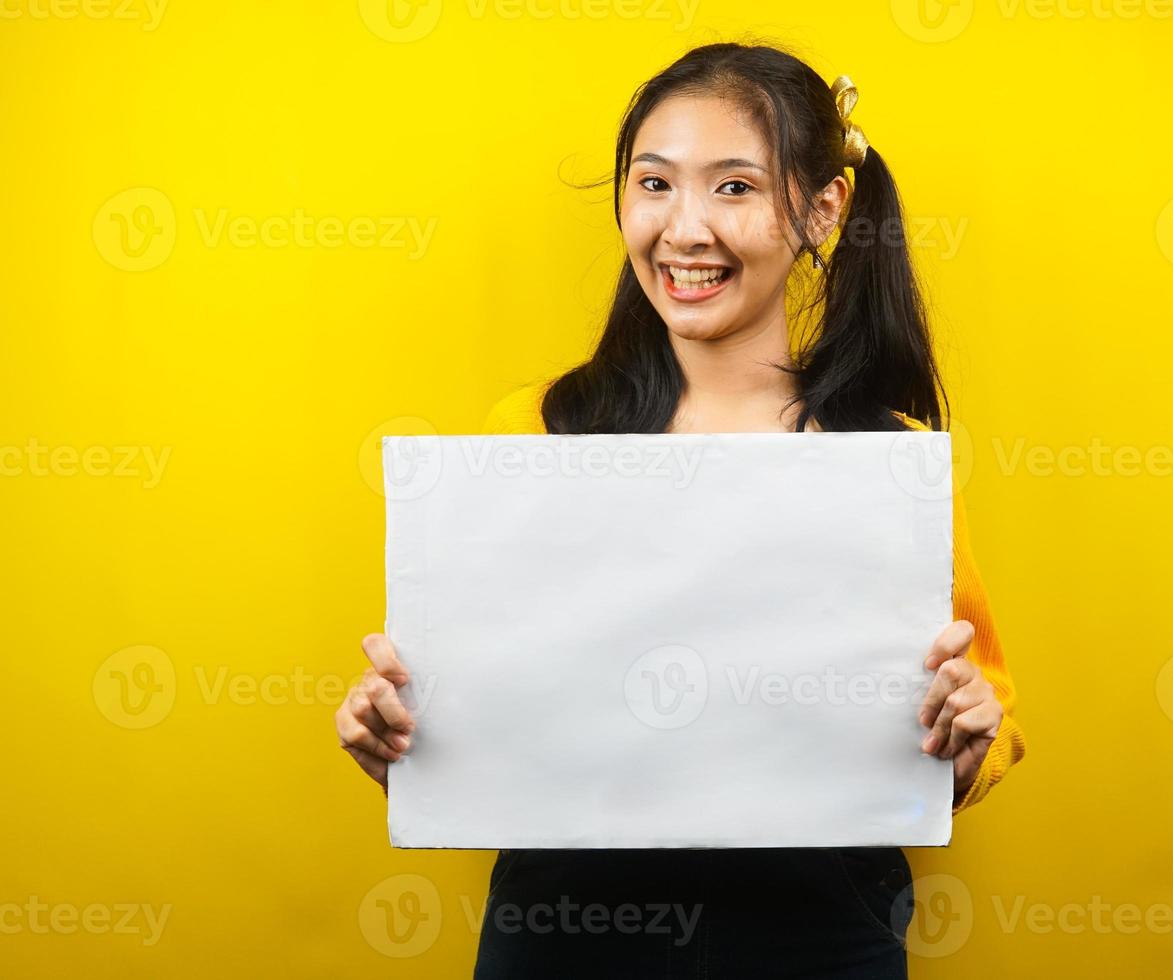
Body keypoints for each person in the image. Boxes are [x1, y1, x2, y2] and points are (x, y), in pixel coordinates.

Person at [334, 40, 1027, 979]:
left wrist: (963, 739)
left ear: (823, 210)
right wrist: (404, 736)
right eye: (654, 184)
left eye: (733, 188)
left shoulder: (887, 460)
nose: (684, 229)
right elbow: (484, 698)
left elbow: (979, 719)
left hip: (821, 927)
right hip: (565, 930)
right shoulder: (539, 432)